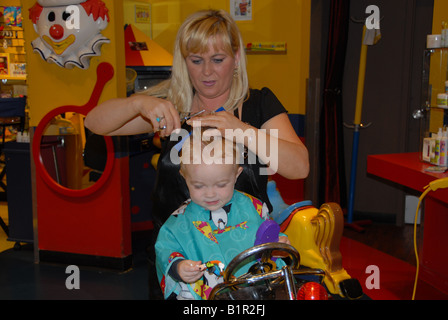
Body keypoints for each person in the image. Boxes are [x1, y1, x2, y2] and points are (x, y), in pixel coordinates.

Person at [84, 9, 309, 298]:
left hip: (246, 268)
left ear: (236, 58)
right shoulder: (171, 106)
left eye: (218, 60)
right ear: (184, 61)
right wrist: (137, 104)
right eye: (196, 61)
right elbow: (94, 123)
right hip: (180, 264)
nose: (206, 72)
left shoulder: (259, 104)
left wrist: (240, 129)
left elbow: (299, 167)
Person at [155, 128, 290, 300]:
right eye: (199, 186)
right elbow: (165, 249)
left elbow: (269, 235)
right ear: (184, 177)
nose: (210, 194)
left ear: (236, 175)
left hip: (255, 292)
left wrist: (279, 245)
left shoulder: (254, 207)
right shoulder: (179, 221)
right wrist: (178, 267)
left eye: (221, 184)